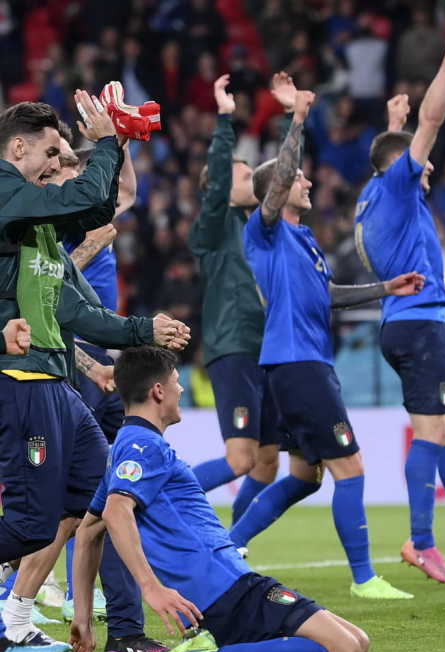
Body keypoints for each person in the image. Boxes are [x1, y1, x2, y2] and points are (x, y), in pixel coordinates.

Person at [230, 78, 423, 599]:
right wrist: (296, 119)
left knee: (305, 476)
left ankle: (226, 546)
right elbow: (277, 182)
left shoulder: (303, 238)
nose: (309, 185)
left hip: (303, 363)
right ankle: (364, 579)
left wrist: (387, 287)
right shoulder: (263, 229)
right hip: (298, 365)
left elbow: (329, 295)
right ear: (280, 188)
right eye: (300, 182)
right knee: (350, 467)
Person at [69, 346, 370, 652]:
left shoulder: (124, 448)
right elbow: (116, 512)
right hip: (228, 592)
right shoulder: (142, 446)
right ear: (158, 391)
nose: (181, 388)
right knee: (347, 650)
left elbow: (86, 532)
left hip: (233, 586)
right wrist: (151, 587)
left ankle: (208, 647)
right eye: (175, 381)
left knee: (359, 641)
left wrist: (82, 618)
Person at [0, 128, 182, 652]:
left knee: (96, 495)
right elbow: (88, 199)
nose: (57, 167)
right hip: (23, 380)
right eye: (52, 157)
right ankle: (15, 614)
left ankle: (19, 617)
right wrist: (106, 141)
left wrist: (148, 329)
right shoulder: (12, 212)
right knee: (33, 525)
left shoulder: (49, 245)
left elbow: (88, 316)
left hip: (58, 384)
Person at [355, 29, 445, 586]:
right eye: (419, 162)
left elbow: (388, 157)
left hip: (416, 324)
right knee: (432, 433)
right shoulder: (397, 182)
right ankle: (421, 542)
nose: (430, 169)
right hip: (416, 323)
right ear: (401, 164)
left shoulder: (375, 195)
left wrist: (393, 124)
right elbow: (432, 125)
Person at [187, 73, 280, 526]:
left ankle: (232, 547)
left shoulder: (257, 230)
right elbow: (221, 176)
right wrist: (225, 120)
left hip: (268, 351)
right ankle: (157, 493)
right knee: (241, 459)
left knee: (267, 464)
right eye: (246, 175)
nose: (252, 180)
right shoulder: (213, 228)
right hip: (235, 348)